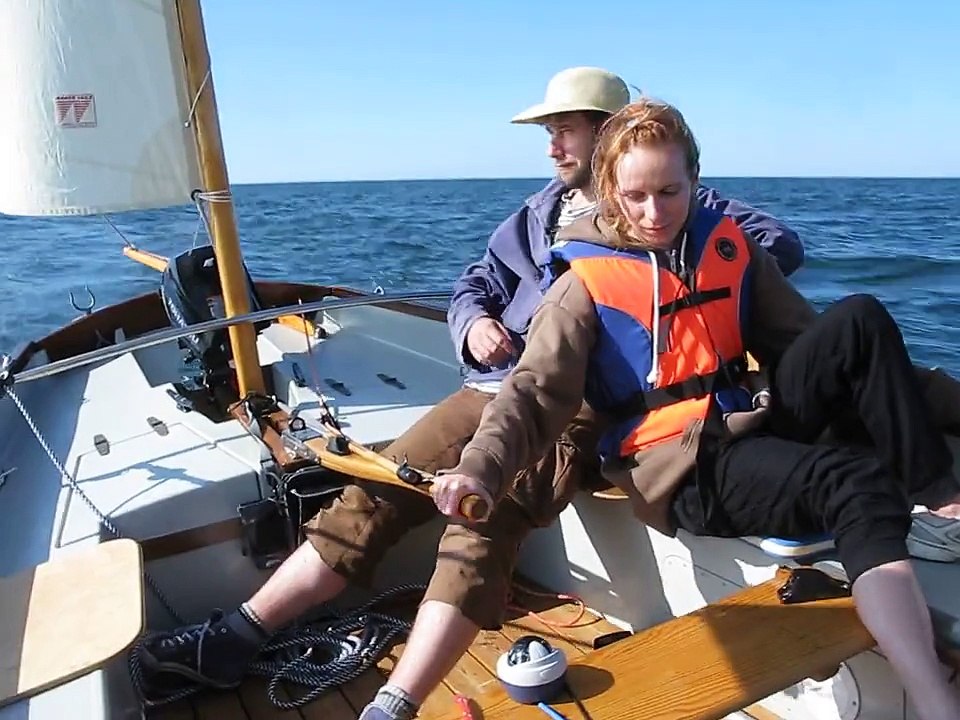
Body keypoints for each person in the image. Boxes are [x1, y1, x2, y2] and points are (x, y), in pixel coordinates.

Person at [138, 69, 805, 720]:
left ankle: (393, 703)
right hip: (487, 389)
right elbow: (473, 283)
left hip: (567, 405)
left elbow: (774, 246)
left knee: (484, 517)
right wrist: (474, 322)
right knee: (374, 490)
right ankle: (241, 633)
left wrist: (651, 249)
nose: (552, 146)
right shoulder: (536, 213)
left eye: (565, 130)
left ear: (611, 137)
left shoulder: (674, 204)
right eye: (548, 132)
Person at [430, 97, 960, 720]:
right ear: (608, 190)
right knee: (854, 479)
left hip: (746, 418)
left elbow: (811, 348)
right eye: (635, 196)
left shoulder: (729, 248)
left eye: (670, 192)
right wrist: (479, 469)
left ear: (695, 182)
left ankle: (942, 502)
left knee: (860, 318)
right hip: (679, 465)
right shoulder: (581, 284)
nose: (655, 213)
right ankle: (933, 699)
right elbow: (532, 393)